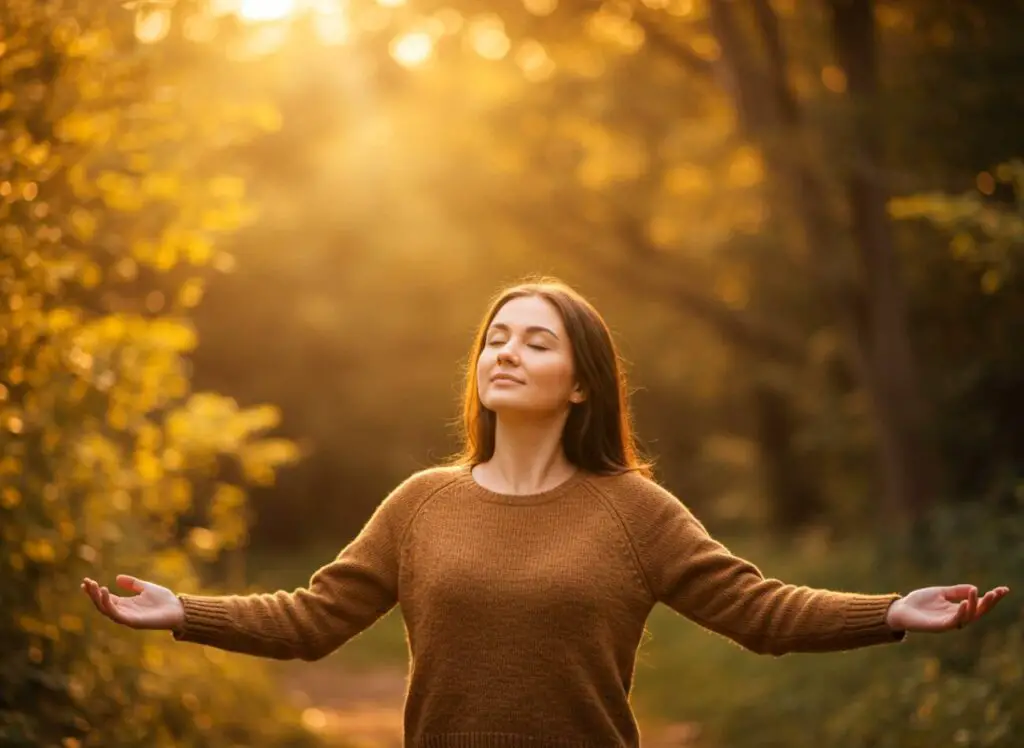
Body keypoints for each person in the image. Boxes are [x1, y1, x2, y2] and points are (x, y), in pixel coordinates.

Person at [83, 279, 1009, 746]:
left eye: (537, 340)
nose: (507, 352)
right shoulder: (420, 504)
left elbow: (759, 611)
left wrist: (888, 613)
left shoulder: (633, 511)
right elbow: (312, 619)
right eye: (495, 337)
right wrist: (183, 612)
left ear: (580, 386)